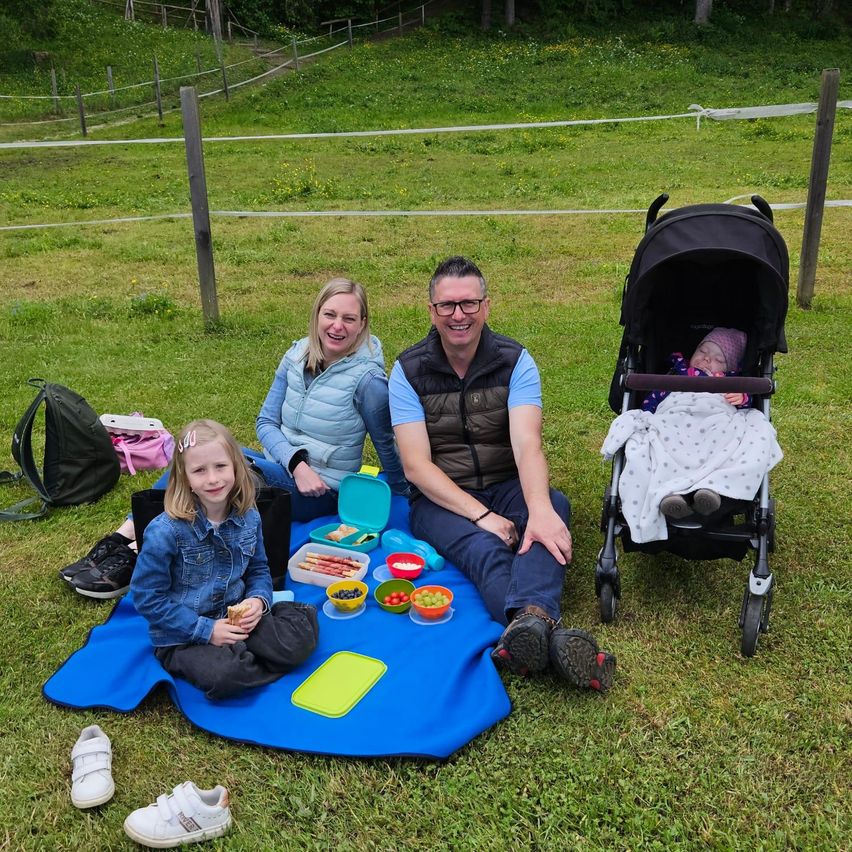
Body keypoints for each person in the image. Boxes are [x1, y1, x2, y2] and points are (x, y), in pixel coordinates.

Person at [62, 277, 406, 599]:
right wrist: (296, 463)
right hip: (283, 469)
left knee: (221, 481)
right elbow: (265, 421)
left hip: (320, 491)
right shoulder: (297, 355)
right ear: (316, 315)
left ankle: (139, 554)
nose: (337, 326)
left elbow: (387, 446)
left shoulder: (369, 382)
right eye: (329, 314)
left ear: (362, 324)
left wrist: (405, 495)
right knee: (197, 455)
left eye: (349, 318)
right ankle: (121, 538)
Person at [388, 256, 615, 692]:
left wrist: (540, 509)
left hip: (507, 483)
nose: (459, 315)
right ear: (432, 311)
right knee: (486, 548)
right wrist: (481, 516)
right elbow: (416, 466)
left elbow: (527, 444)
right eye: (447, 305)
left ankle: (529, 629)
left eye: (469, 303)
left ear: (486, 306)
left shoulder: (516, 362)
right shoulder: (407, 371)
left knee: (552, 511)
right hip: (441, 498)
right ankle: (544, 630)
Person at [129, 419, 319, 701]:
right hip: (183, 634)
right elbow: (147, 597)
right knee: (226, 676)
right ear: (184, 477)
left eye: (220, 466)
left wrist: (257, 601)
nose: (213, 479)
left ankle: (248, 651)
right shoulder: (165, 532)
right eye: (199, 470)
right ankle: (240, 658)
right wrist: (206, 631)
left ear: (235, 467)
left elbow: (259, 569)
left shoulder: (249, 515)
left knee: (298, 643)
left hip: (238, 618)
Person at [641, 327, 750, 518]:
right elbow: (653, 400)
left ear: (729, 368)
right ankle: (672, 494)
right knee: (664, 445)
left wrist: (743, 398)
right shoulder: (677, 375)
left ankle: (709, 490)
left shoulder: (730, 383)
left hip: (714, 425)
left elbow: (747, 406)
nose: (707, 359)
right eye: (702, 351)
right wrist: (646, 417)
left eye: (719, 360)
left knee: (723, 444)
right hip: (676, 421)